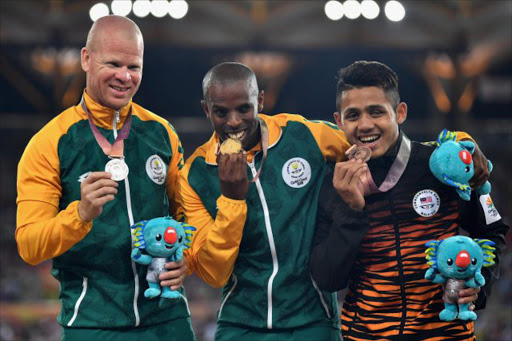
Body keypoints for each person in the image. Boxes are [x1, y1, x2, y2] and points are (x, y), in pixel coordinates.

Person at [15, 15, 194, 340]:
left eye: (134, 67)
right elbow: (29, 244)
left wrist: (189, 259)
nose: (125, 77)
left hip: (168, 322)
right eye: (113, 64)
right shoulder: (49, 143)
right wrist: (79, 214)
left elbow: (189, 213)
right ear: (86, 58)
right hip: (92, 325)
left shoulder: (162, 133)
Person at [309, 61, 509, 341]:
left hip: (446, 334)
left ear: (400, 112)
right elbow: (328, 279)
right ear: (339, 121)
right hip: (365, 336)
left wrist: (480, 284)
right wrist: (350, 211)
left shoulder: (443, 166)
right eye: (353, 115)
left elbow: (493, 229)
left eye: (376, 111)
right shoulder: (333, 183)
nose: (365, 125)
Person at [180, 62, 352, 340]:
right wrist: (232, 201)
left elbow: (374, 145)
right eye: (221, 112)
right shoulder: (194, 175)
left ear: (260, 100)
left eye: (244, 108)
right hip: (241, 324)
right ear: (206, 110)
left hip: (313, 319)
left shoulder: (303, 135)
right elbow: (215, 273)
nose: (234, 122)